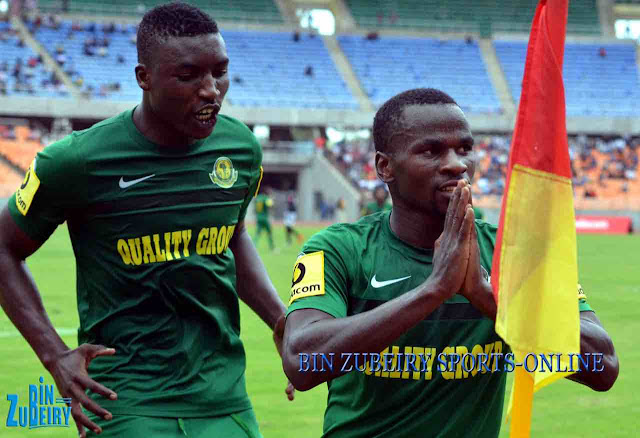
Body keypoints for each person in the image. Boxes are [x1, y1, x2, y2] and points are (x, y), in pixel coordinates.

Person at [0, 3, 293, 438]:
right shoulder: (77, 161)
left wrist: (282, 322)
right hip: (126, 402)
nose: (211, 90)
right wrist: (54, 354)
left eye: (220, 72)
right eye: (188, 75)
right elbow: (3, 247)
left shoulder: (240, 148)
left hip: (225, 400)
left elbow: (230, 238)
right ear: (144, 77)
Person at [281, 88, 618, 437]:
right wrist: (434, 290)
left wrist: (487, 297)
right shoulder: (337, 250)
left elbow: (603, 365)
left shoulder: (516, 252)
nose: (457, 164)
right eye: (431, 151)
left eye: (465, 149)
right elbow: (301, 362)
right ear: (385, 166)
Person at [254, 186, 275, 251]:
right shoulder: (266, 198)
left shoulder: (257, 198)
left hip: (258, 217)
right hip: (264, 218)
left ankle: (254, 245)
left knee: (257, 233)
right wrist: (271, 199)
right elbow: (270, 205)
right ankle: (272, 247)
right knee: (269, 232)